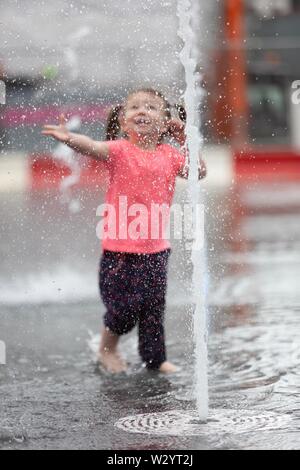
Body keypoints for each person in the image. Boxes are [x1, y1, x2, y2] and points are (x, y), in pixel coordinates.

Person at [42, 88, 206, 374]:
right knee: (124, 309)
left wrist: (183, 138)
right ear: (123, 121)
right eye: (134, 108)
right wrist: (70, 139)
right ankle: (107, 347)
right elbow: (92, 146)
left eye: (151, 108)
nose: (142, 111)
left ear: (166, 121)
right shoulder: (119, 150)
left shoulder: (170, 154)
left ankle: (155, 359)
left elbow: (199, 172)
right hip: (120, 251)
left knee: (153, 310)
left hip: (156, 249)